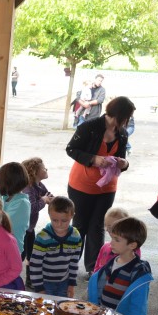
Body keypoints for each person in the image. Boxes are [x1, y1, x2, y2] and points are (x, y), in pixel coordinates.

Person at [66, 95, 135, 276]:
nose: (128, 122)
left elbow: (122, 160)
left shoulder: (122, 133)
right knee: (79, 225)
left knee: (98, 226)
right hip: (81, 185)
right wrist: (93, 159)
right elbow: (71, 149)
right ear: (119, 115)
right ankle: (71, 266)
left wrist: (124, 164)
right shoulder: (89, 127)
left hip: (106, 188)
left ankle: (93, 268)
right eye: (127, 117)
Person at [87, 217, 152, 315]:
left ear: (132, 245)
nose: (111, 242)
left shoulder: (138, 273)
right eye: (112, 238)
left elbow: (138, 307)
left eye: (117, 240)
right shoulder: (112, 262)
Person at [29, 196, 82, 298]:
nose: (59, 224)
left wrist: (71, 284)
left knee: (61, 307)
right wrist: (39, 288)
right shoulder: (43, 237)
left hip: (64, 282)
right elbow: (35, 264)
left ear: (72, 216)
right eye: (55, 220)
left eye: (64, 220)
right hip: (45, 282)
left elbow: (74, 262)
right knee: (46, 309)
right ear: (49, 216)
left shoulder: (75, 236)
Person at [21, 157, 53, 287]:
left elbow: (47, 193)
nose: (46, 169)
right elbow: (32, 208)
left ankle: (30, 279)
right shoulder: (28, 188)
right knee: (21, 255)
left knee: (32, 254)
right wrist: (44, 200)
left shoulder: (38, 185)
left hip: (30, 228)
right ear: (34, 172)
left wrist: (52, 198)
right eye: (43, 168)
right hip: (23, 229)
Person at [92, 207, 142, 274]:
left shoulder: (133, 249)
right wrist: (95, 277)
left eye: (111, 227)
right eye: (106, 225)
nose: (107, 229)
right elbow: (98, 265)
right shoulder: (105, 247)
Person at [0, 162, 31, 255]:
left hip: (11, 252)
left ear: (6, 182)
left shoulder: (22, 204)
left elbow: (3, 225)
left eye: (0, 180)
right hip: (3, 248)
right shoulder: (8, 198)